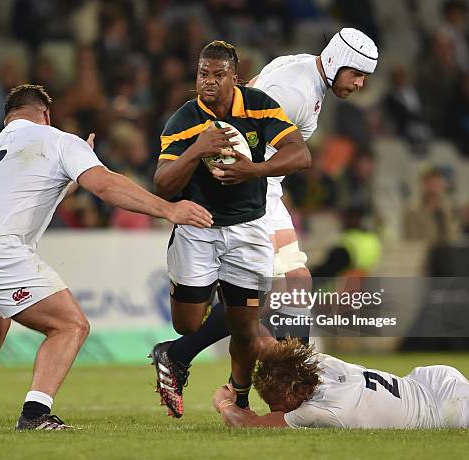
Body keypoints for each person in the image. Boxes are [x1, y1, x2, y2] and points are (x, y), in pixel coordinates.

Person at [0, 84, 212, 431]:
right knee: (70, 326)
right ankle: (35, 415)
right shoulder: (60, 140)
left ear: (8, 118)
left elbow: (27, 190)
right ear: (46, 114)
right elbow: (105, 186)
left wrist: (72, 173)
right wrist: (168, 209)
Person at [150, 28, 378, 417]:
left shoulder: (304, 68)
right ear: (338, 61)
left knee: (291, 288)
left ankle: (193, 358)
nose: (359, 83)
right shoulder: (297, 94)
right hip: (255, 193)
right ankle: (298, 389)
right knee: (278, 293)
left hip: (265, 188)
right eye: (356, 73)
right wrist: (244, 177)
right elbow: (246, 142)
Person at [150, 40, 311, 418]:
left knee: (244, 323)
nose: (208, 81)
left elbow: (300, 155)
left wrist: (251, 170)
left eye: (218, 75)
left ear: (234, 78)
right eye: (203, 74)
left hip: (249, 229)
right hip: (199, 228)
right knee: (187, 324)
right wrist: (196, 149)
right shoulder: (184, 120)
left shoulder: (259, 105)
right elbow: (162, 185)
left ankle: (239, 398)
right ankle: (171, 352)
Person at [212, 338, 469, 429]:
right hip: (429, 382)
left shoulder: (322, 410)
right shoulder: (322, 364)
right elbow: (273, 351)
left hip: (447, 411)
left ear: (291, 392)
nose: (273, 408)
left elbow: (251, 425)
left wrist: (224, 402)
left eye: (274, 401)